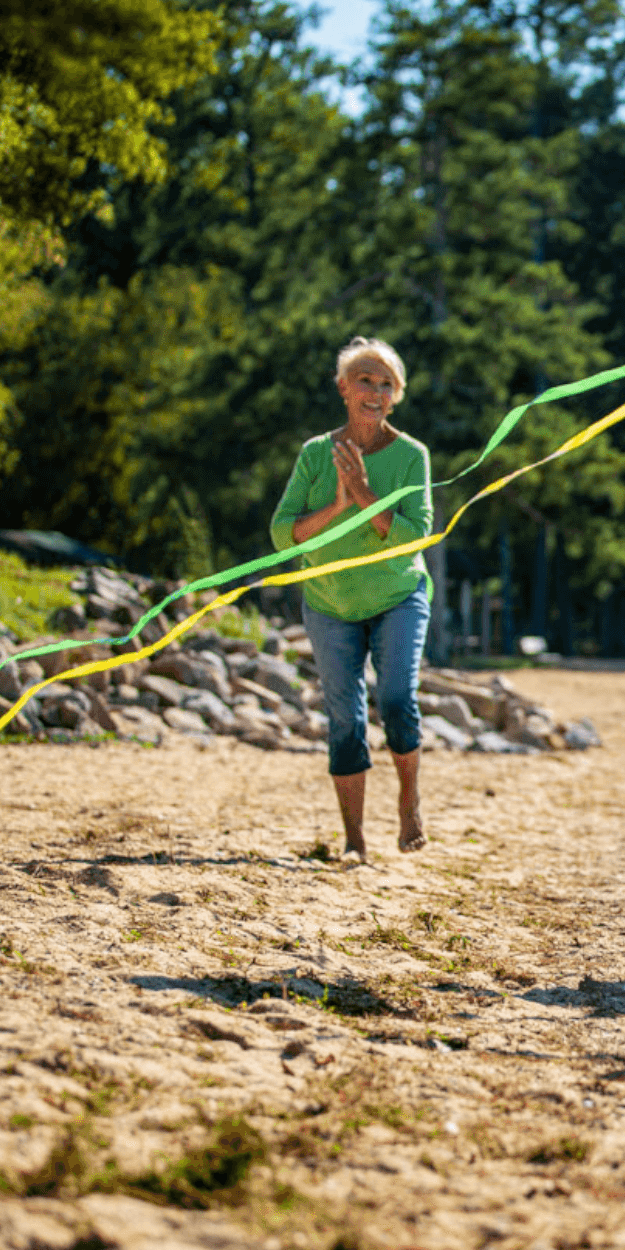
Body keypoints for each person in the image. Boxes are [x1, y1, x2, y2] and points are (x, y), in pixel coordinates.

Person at [269, 337, 434, 863]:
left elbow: (416, 537)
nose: (375, 391)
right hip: (328, 603)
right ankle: (354, 839)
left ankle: (409, 800)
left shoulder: (412, 457)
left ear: (397, 397)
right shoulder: (317, 454)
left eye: (386, 384)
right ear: (344, 388)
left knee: (396, 701)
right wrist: (338, 503)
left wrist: (363, 492)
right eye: (365, 379)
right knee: (345, 722)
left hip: (397, 597)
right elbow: (281, 534)